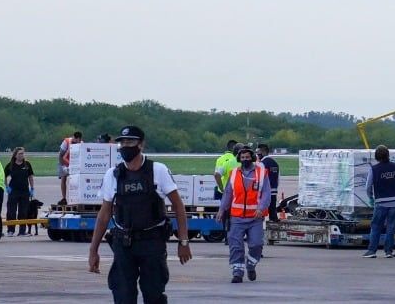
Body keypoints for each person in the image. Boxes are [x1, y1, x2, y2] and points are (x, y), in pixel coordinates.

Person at [88, 125, 191, 303]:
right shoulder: (113, 175)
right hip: (123, 243)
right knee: (123, 294)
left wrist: (183, 241)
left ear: (141, 144)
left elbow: (178, 206)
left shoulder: (158, 170)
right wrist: (93, 250)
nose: (125, 146)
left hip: (152, 243)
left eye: (130, 142)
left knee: (153, 294)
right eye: (122, 143)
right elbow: (104, 215)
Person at [216, 143, 271, 283]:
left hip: (255, 218)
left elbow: (266, 194)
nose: (245, 159)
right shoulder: (234, 173)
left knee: (256, 244)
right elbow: (228, 193)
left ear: (252, 158)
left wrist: (261, 208)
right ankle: (237, 272)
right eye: (242, 157)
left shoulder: (261, 173)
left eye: (247, 157)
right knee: (236, 246)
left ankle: (251, 264)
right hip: (237, 217)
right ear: (239, 159)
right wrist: (222, 209)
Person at [362, 144, 395, 259]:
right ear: (388, 155)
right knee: (391, 227)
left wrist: (370, 197)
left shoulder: (374, 169)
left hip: (381, 202)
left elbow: (368, 186)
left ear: (376, 156)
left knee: (376, 226)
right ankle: (388, 251)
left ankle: (372, 250)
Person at [6, 147, 36, 236]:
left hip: (24, 192)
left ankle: (22, 231)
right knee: (11, 211)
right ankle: (10, 230)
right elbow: (3, 176)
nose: (22, 155)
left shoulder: (27, 164)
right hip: (13, 191)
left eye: (23, 153)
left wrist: (32, 188)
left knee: (23, 212)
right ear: (15, 155)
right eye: (20, 154)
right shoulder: (10, 165)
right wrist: (7, 187)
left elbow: (30, 177)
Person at [257, 143, 280, 223]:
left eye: (258, 152)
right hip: (274, 190)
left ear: (263, 152)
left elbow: (259, 178)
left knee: (261, 209)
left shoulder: (262, 164)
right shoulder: (275, 163)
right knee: (272, 210)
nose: (257, 154)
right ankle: (274, 222)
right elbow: (278, 178)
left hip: (264, 191)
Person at [58, 131, 83, 206]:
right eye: (77, 140)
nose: (78, 142)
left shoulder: (81, 143)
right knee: (63, 178)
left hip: (74, 162)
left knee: (76, 179)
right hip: (64, 162)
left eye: (79, 140)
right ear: (74, 138)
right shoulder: (66, 142)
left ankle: (76, 197)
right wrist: (63, 166)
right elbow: (60, 155)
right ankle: (64, 198)